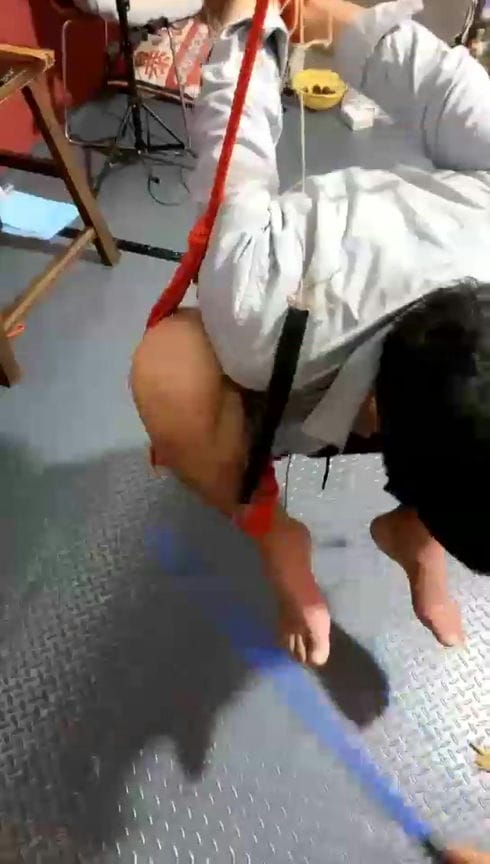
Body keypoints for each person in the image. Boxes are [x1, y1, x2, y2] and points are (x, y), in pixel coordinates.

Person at [132, 0, 490, 666]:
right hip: (301, 355)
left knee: (475, 462)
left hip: (396, 389)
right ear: (375, 414)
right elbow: (238, 155)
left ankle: (416, 532)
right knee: (169, 371)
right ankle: (277, 537)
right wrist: (269, 27)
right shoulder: (261, 307)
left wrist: (249, 26)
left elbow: (445, 88)